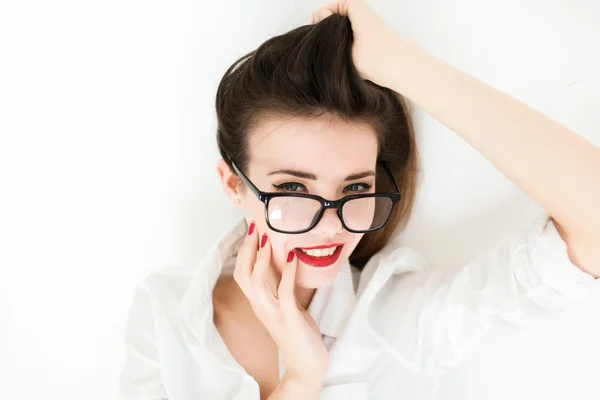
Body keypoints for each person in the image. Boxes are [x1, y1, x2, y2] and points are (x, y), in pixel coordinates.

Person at [118, 1, 600, 399]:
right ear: (233, 185)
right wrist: (301, 382)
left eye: (354, 189)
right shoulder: (165, 311)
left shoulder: (396, 319)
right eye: (293, 189)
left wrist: (399, 64)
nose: (331, 226)